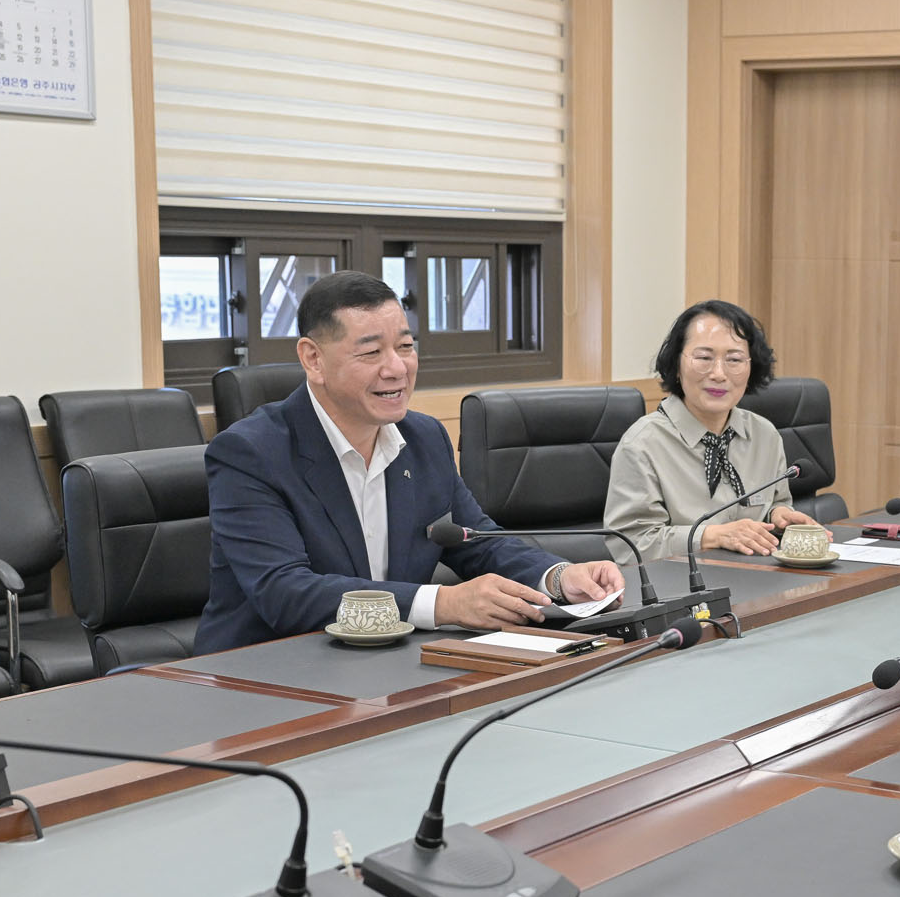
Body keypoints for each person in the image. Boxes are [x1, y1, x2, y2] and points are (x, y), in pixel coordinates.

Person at [196, 271, 623, 653]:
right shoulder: (250, 453)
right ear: (313, 359)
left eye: (405, 347)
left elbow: (476, 540)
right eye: (371, 353)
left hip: (390, 663)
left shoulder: (423, 438)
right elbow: (285, 592)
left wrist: (557, 577)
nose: (397, 368)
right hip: (265, 673)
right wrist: (443, 603)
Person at [604, 301, 818, 563]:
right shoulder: (642, 445)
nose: (718, 374)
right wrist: (711, 536)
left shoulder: (764, 435)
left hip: (756, 576)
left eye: (734, 360)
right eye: (704, 358)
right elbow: (631, 544)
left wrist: (779, 515)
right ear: (677, 365)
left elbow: (777, 501)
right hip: (679, 582)